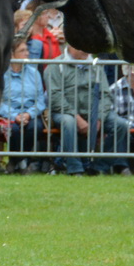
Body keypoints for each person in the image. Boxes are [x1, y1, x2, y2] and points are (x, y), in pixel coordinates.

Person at [45, 45, 103, 175]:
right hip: (63, 112)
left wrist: (100, 117)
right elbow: (55, 97)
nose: (87, 49)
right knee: (69, 121)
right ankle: (75, 167)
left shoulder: (96, 65)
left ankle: (105, 166)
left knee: (119, 124)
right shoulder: (55, 66)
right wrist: (77, 118)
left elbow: (106, 94)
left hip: (92, 112)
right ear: (72, 45)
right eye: (83, 45)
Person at [0, 44, 47, 173]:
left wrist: (29, 114)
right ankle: (21, 162)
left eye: (27, 50)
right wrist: (15, 116)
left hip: (30, 113)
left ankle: (15, 161)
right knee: (14, 129)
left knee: (35, 127)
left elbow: (40, 100)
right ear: (12, 55)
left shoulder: (34, 73)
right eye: (22, 50)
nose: (27, 53)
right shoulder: (1, 74)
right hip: (8, 114)